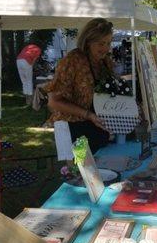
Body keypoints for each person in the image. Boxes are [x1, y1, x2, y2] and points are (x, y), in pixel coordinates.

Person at [44, 18, 113, 154]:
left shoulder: (105, 63)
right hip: (72, 128)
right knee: (80, 170)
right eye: (101, 43)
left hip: (96, 128)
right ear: (88, 42)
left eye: (108, 43)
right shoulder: (72, 61)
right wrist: (88, 115)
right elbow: (54, 102)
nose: (106, 48)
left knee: (101, 170)